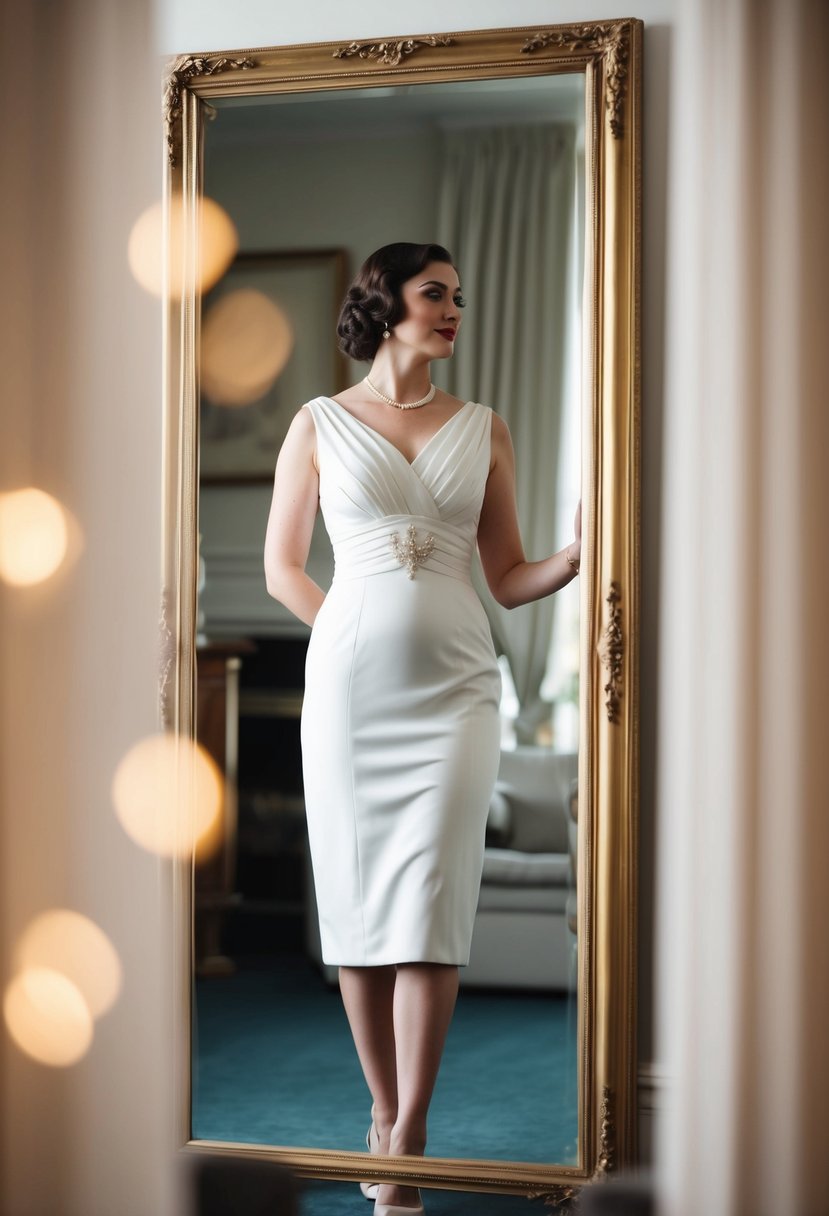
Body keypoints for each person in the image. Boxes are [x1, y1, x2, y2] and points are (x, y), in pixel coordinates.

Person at [264, 242, 581, 1215]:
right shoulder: (317, 423)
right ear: (385, 305)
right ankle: (381, 1103)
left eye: (457, 297)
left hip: (458, 695)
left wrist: (577, 554)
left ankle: (409, 1133)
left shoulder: (483, 428)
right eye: (434, 294)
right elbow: (282, 567)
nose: (452, 310)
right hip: (350, 698)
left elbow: (507, 576)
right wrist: (348, 631)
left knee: (431, 909)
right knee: (359, 919)